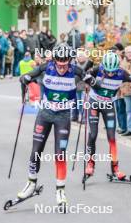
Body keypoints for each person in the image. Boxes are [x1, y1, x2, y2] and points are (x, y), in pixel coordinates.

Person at [17, 43, 99, 208]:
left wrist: (91, 81)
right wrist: (25, 79)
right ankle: (31, 184)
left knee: (60, 154)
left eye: (65, 61)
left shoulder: (76, 71)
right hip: (45, 115)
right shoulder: (45, 67)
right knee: (36, 150)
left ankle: (60, 190)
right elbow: (26, 76)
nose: (62, 65)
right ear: (53, 59)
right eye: (58, 61)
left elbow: (93, 81)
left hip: (63, 117)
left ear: (70, 59)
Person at [84, 51, 131, 179]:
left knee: (112, 138)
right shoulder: (98, 69)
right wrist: (87, 74)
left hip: (108, 106)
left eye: (113, 71)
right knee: (93, 134)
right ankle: (90, 164)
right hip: (94, 104)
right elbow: (82, 76)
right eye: (108, 71)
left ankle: (115, 169)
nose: (110, 73)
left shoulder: (122, 73)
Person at [120, 45, 131, 136]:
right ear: (125, 53)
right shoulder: (122, 64)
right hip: (126, 89)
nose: (130, 54)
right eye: (128, 52)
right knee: (129, 110)